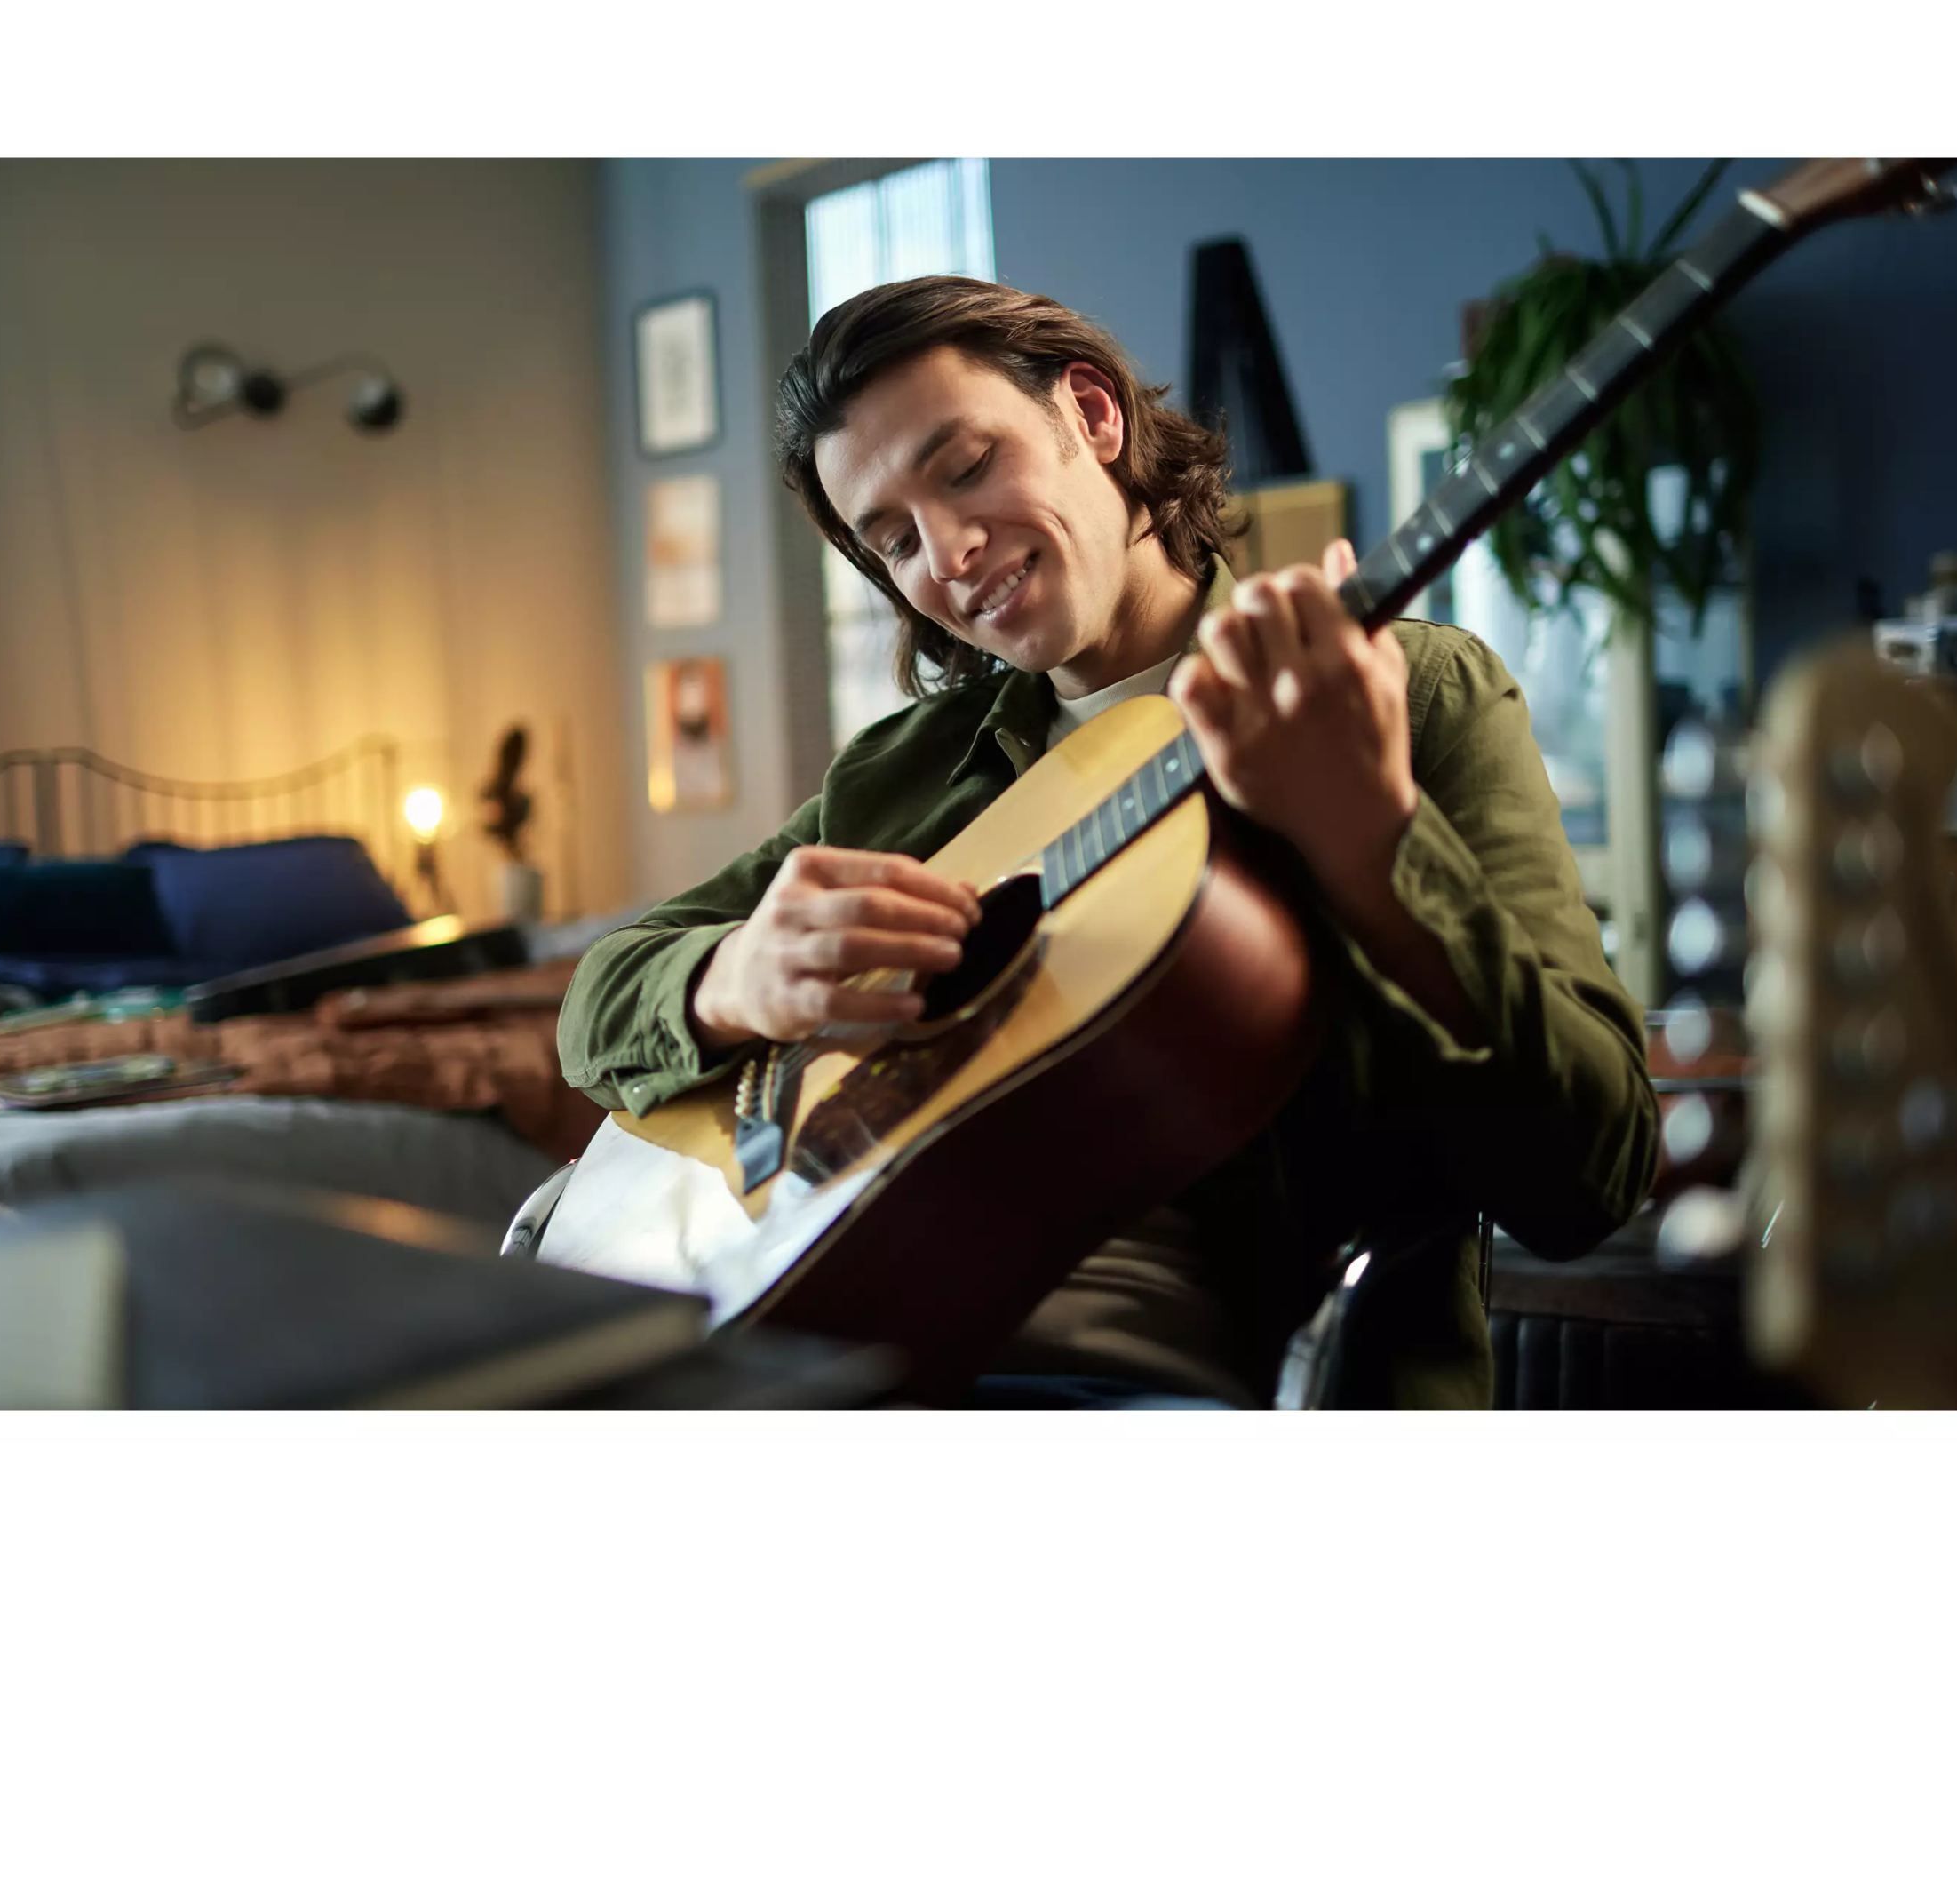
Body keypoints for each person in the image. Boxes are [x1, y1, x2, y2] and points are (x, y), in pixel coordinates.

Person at [558, 276, 1659, 1407]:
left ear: (1092, 414)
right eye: (894, 540)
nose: (948, 552)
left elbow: (1595, 1176)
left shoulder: (1410, 693)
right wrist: (730, 976)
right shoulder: (902, 774)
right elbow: (594, 1002)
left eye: (966, 466)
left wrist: (1373, 838)